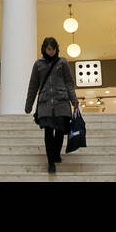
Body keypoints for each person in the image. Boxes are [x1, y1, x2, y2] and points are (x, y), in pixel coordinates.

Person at [25, 37, 79, 173]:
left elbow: (69, 83)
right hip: (45, 104)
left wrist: (74, 100)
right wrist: (29, 105)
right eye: (49, 49)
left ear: (56, 49)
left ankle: (56, 153)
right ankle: (51, 163)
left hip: (61, 102)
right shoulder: (38, 64)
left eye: (53, 49)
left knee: (60, 131)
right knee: (48, 132)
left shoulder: (63, 62)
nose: (51, 52)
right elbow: (33, 85)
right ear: (44, 48)